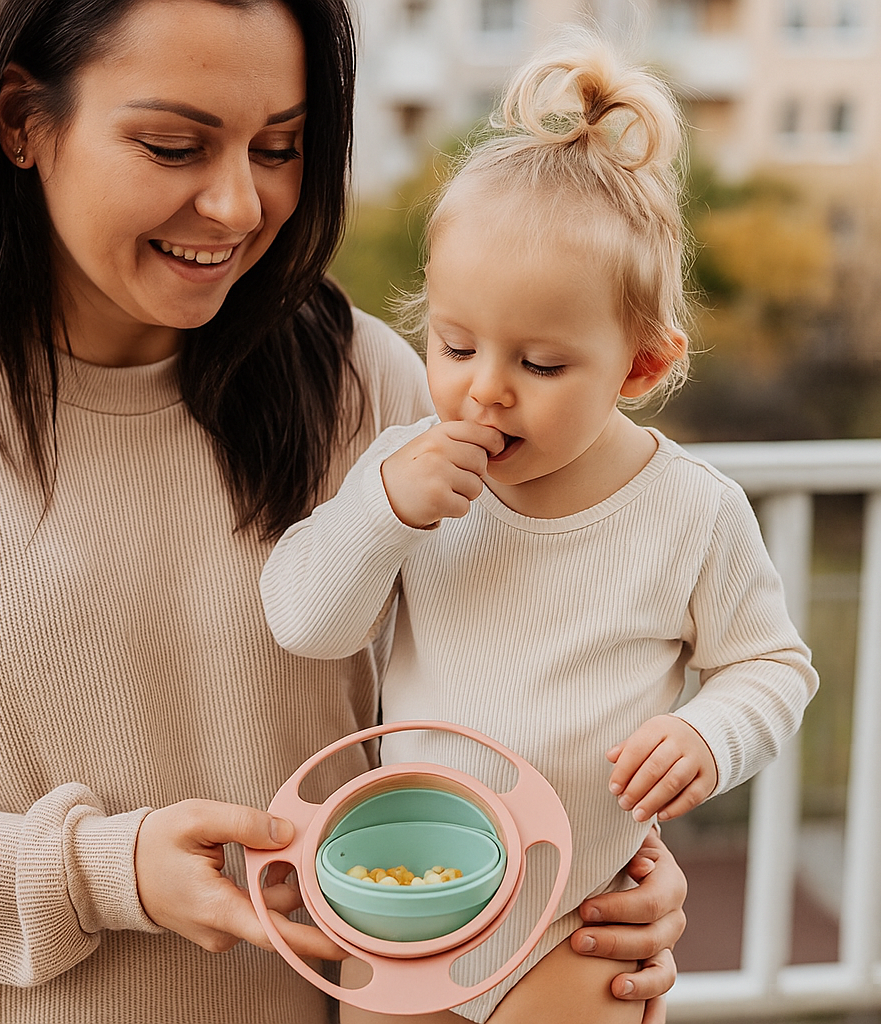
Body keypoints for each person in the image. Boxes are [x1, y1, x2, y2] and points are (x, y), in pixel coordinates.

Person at [0, 3, 686, 1023]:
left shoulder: (368, 384)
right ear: (22, 121)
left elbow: (520, 672)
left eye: (281, 147)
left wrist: (605, 873)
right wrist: (109, 870)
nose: (238, 203)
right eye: (173, 144)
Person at [260, 32, 819, 1024]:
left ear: (639, 368)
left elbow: (771, 665)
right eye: (457, 342)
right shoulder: (404, 474)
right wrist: (380, 508)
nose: (485, 388)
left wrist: (709, 731)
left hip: (580, 917)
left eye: (541, 364)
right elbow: (306, 621)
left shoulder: (691, 512)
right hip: (408, 902)